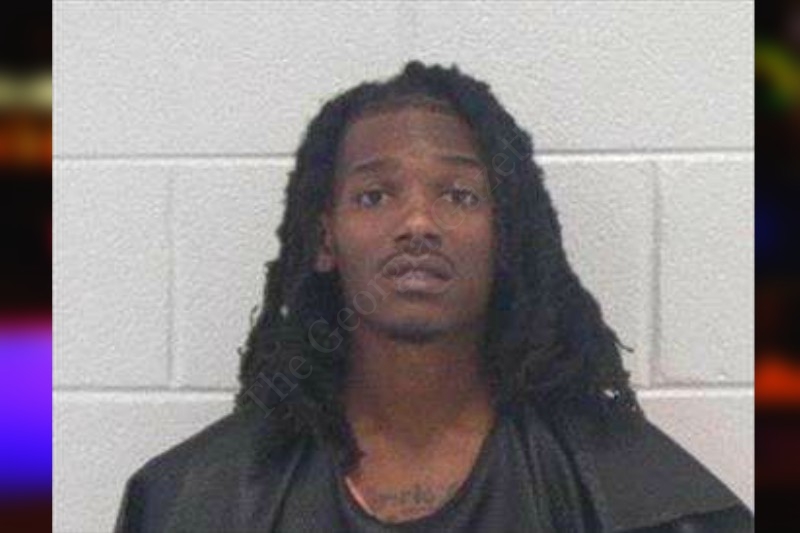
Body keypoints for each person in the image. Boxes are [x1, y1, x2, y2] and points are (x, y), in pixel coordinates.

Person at [114, 61, 752, 532]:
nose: (418, 223)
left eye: (459, 195)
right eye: (375, 196)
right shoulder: (192, 501)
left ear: (505, 236)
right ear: (326, 238)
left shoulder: (631, 495)